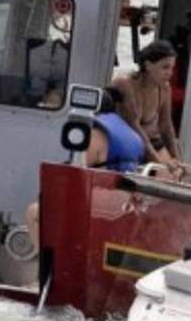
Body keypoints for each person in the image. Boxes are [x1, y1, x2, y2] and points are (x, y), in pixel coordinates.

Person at [25, 88, 145, 251]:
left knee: (34, 213)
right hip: (126, 204)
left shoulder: (95, 134)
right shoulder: (130, 133)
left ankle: (51, 267)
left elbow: (78, 172)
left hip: (102, 202)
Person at [112, 39, 187, 179]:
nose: (170, 73)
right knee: (164, 172)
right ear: (148, 65)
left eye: (172, 68)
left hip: (153, 141)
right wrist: (160, 163)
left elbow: (166, 126)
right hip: (130, 141)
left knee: (176, 175)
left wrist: (177, 162)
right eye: (165, 67)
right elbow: (133, 126)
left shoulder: (164, 88)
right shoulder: (125, 84)